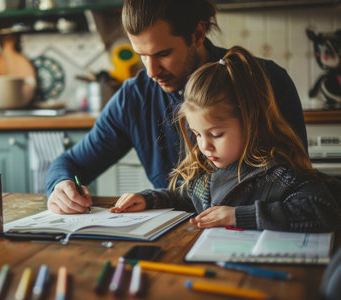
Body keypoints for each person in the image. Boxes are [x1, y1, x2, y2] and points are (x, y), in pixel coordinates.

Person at [46, 0, 308, 215]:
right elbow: (70, 162)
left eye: (162, 54)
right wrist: (62, 186)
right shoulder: (134, 97)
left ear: (197, 34)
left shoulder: (264, 81)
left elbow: (300, 184)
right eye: (141, 56)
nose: (151, 71)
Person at [110, 46, 341, 232]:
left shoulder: (276, 174)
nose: (204, 146)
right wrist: (148, 199)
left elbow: (323, 210)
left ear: (250, 122)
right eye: (197, 134)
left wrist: (237, 216)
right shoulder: (206, 172)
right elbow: (185, 197)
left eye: (216, 134)